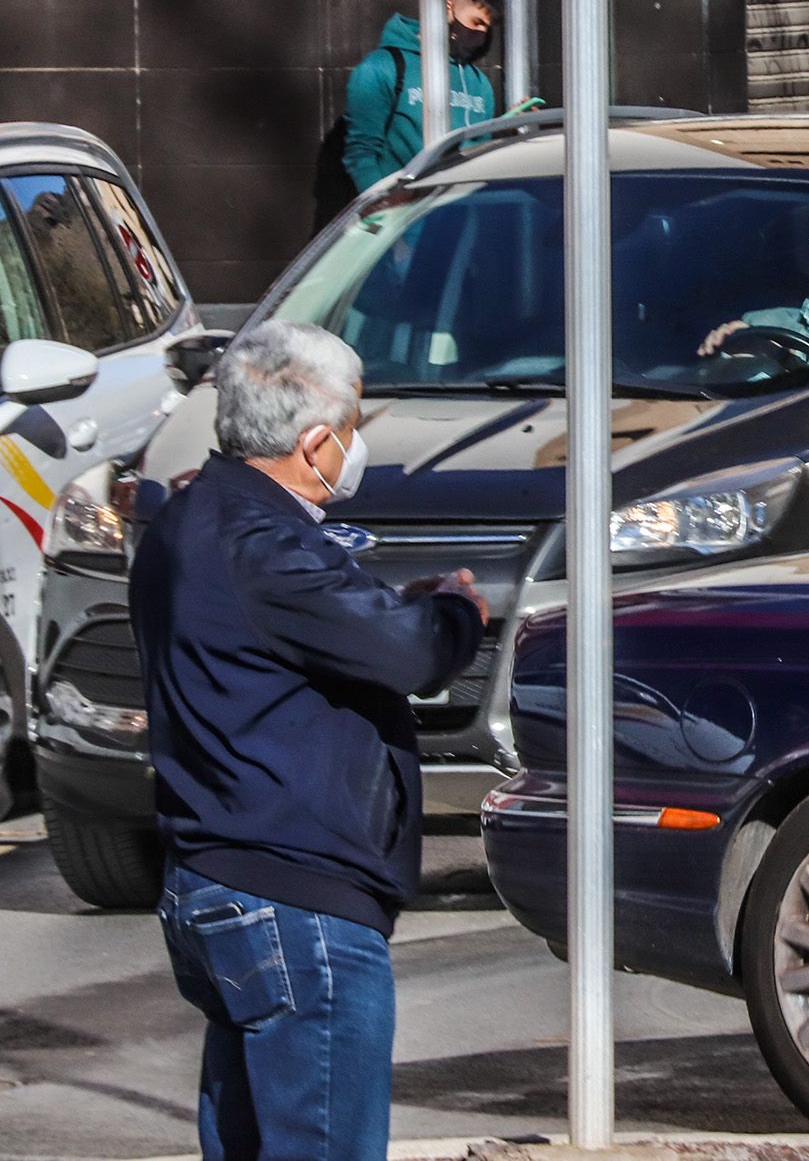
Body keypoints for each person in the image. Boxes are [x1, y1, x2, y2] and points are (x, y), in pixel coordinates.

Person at [130, 321, 488, 1159]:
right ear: (315, 440)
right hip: (295, 903)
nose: (357, 447)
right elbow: (410, 652)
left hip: (220, 880)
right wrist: (454, 613)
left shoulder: (193, 518)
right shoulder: (265, 545)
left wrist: (400, 606)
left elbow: (322, 632)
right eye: (353, 427)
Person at [341, 0, 502, 192]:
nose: (481, 36)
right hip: (403, 217)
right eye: (476, 22)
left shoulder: (480, 85)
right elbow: (361, 154)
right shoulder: (381, 68)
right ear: (448, 10)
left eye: (487, 27)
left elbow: (480, 158)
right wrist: (384, 207)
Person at [695, 209, 809, 366]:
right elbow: (712, 388)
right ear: (806, 260)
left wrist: (782, 358)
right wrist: (714, 354)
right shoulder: (760, 321)